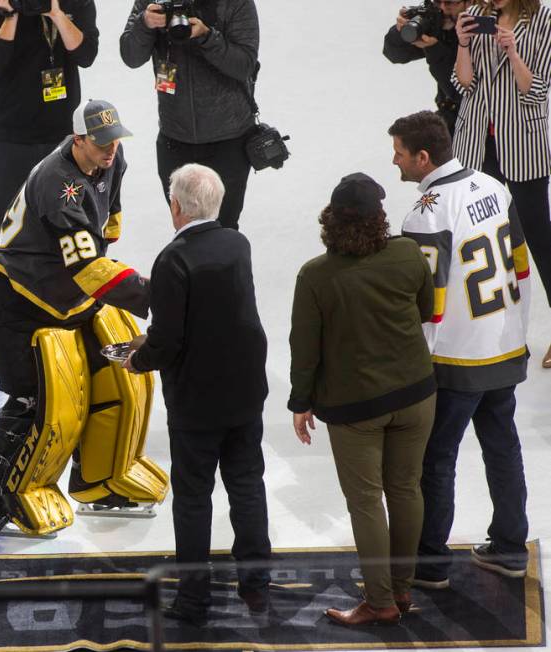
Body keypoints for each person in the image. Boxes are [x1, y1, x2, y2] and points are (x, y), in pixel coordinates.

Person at [0, 99, 150, 522]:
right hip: (19, 296)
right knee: (37, 397)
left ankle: (101, 479)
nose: (111, 150)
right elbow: (89, 268)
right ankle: (1, 497)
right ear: (79, 140)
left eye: (115, 139)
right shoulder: (57, 184)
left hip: (66, 288)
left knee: (113, 375)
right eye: (101, 142)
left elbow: (109, 221)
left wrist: (105, 257)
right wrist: (153, 295)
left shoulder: (113, 158)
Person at [123, 163, 271, 625]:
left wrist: (137, 359)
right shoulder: (237, 244)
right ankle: (256, 582)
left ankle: (192, 599)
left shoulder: (173, 260)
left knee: (193, 497)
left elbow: (168, 340)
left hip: (196, 403)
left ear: (176, 207)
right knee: (247, 485)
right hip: (245, 392)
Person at [289, 173, 437, 626]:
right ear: (380, 217)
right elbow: (427, 309)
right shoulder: (408, 253)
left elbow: (305, 348)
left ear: (330, 220)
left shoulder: (315, 276)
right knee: (407, 488)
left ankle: (379, 602)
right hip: (416, 393)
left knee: (367, 501)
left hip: (356, 408)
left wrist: (301, 402)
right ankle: (402, 589)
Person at [391, 111, 531, 587]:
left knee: (436, 457)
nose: (396, 161)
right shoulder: (495, 186)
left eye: (400, 153)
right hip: (503, 342)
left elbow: (424, 302)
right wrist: (515, 331)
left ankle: (430, 563)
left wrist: (414, 363)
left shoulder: (428, 210)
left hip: (453, 357)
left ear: (423, 156)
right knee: (503, 446)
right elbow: (521, 268)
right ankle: (511, 548)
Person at [0, 0, 98, 347]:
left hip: (60, 139)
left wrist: (57, 14)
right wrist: (13, 13)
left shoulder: (77, 3)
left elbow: (86, 53)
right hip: (8, 138)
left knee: (65, 225)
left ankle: (64, 309)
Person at [452, 0, 551, 367]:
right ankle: (488, 335)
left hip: (523, 142)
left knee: (539, 237)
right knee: (479, 239)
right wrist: (462, 44)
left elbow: (536, 88)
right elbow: (464, 84)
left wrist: (512, 52)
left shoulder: (542, 19)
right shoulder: (478, 15)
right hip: (477, 143)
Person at [120, 0, 259, 231]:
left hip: (228, 140)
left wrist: (207, 37)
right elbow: (130, 56)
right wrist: (144, 24)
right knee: (185, 229)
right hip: (175, 138)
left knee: (224, 229)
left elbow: (244, 65)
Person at [383, 0, 471, 134]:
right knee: (406, 143)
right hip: (447, 116)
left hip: (475, 120)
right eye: (437, 2)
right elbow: (394, 54)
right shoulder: (436, 21)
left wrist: (433, 48)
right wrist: (401, 31)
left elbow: (460, 91)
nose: (442, 8)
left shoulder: (479, 32)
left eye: (449, 3)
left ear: (470, 2)